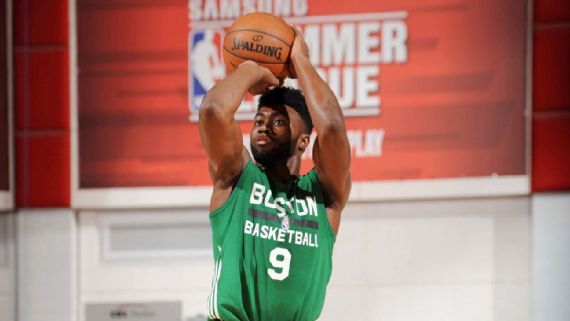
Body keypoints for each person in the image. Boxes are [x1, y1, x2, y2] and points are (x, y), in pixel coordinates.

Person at [198, 27, 351, 321]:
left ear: (304, 140)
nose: (263, 126)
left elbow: (331, 128)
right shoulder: (236, 177)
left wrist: (301, 61)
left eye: (279, 121)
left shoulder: (323, 196)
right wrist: (249, 70)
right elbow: (213, 112)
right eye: (259, 119)